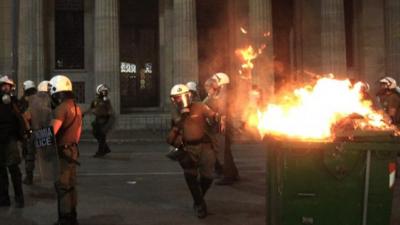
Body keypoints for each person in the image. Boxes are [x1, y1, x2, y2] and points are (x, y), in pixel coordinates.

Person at [166, 84, 221, 219]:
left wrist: (218, 117)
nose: (180, 100)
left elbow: (213, 115)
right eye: (177, 98)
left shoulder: (200, 106)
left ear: (189, 95)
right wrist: (181, 120)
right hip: (187, 148)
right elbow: (170, 137)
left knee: (207, 177)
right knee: (190, 176)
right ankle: (200, 205)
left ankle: (198, 198)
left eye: (182, 97)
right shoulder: (175, 113)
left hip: (204, 146)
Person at [49, 75, 82, 225]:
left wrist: (36, 136)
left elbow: (51, 132)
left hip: (63, 152)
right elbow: (78, 132)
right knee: (71, 185)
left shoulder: (61, 109)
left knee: (62, 187)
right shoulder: (76, 107)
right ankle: (73, 216)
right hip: (73, 150)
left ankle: (65, 219)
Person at [0, 75, 26, 208]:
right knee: (1, 172)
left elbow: (20, 120)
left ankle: (19, 198)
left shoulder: (14, 102)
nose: (4, 88)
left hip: (10, 140)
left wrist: (22, 137)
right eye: (2, 85)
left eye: (7, 86)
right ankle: (4, 199)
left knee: (14, 170)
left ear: (11, 87)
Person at [211, 72, 239, 185]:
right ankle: (233, 173)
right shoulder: (222, 93)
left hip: (224, 125)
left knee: (224, 152)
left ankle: (228, 175)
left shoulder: (223, 94)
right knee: (225, 151)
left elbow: (222, 111)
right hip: (225, 125)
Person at [83, 84, 115, 157]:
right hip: (98, 120)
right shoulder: (95, 101)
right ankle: (105, 149)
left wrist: (109, 117)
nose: (104, 93)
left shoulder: (106, 100)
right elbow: (91, 108)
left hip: (104, 120)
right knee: (96, 134)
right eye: (103, 91)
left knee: (102, 136)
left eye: (105, 91)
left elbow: (110, 110)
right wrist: (83, 113)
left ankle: (100, 152)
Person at [19, 80, 38, 185]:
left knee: (29, 155)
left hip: (31, 131)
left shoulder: (25, 100)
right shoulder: (40, 99)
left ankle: (29, 177)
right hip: (43, 130)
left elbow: (24, 116)